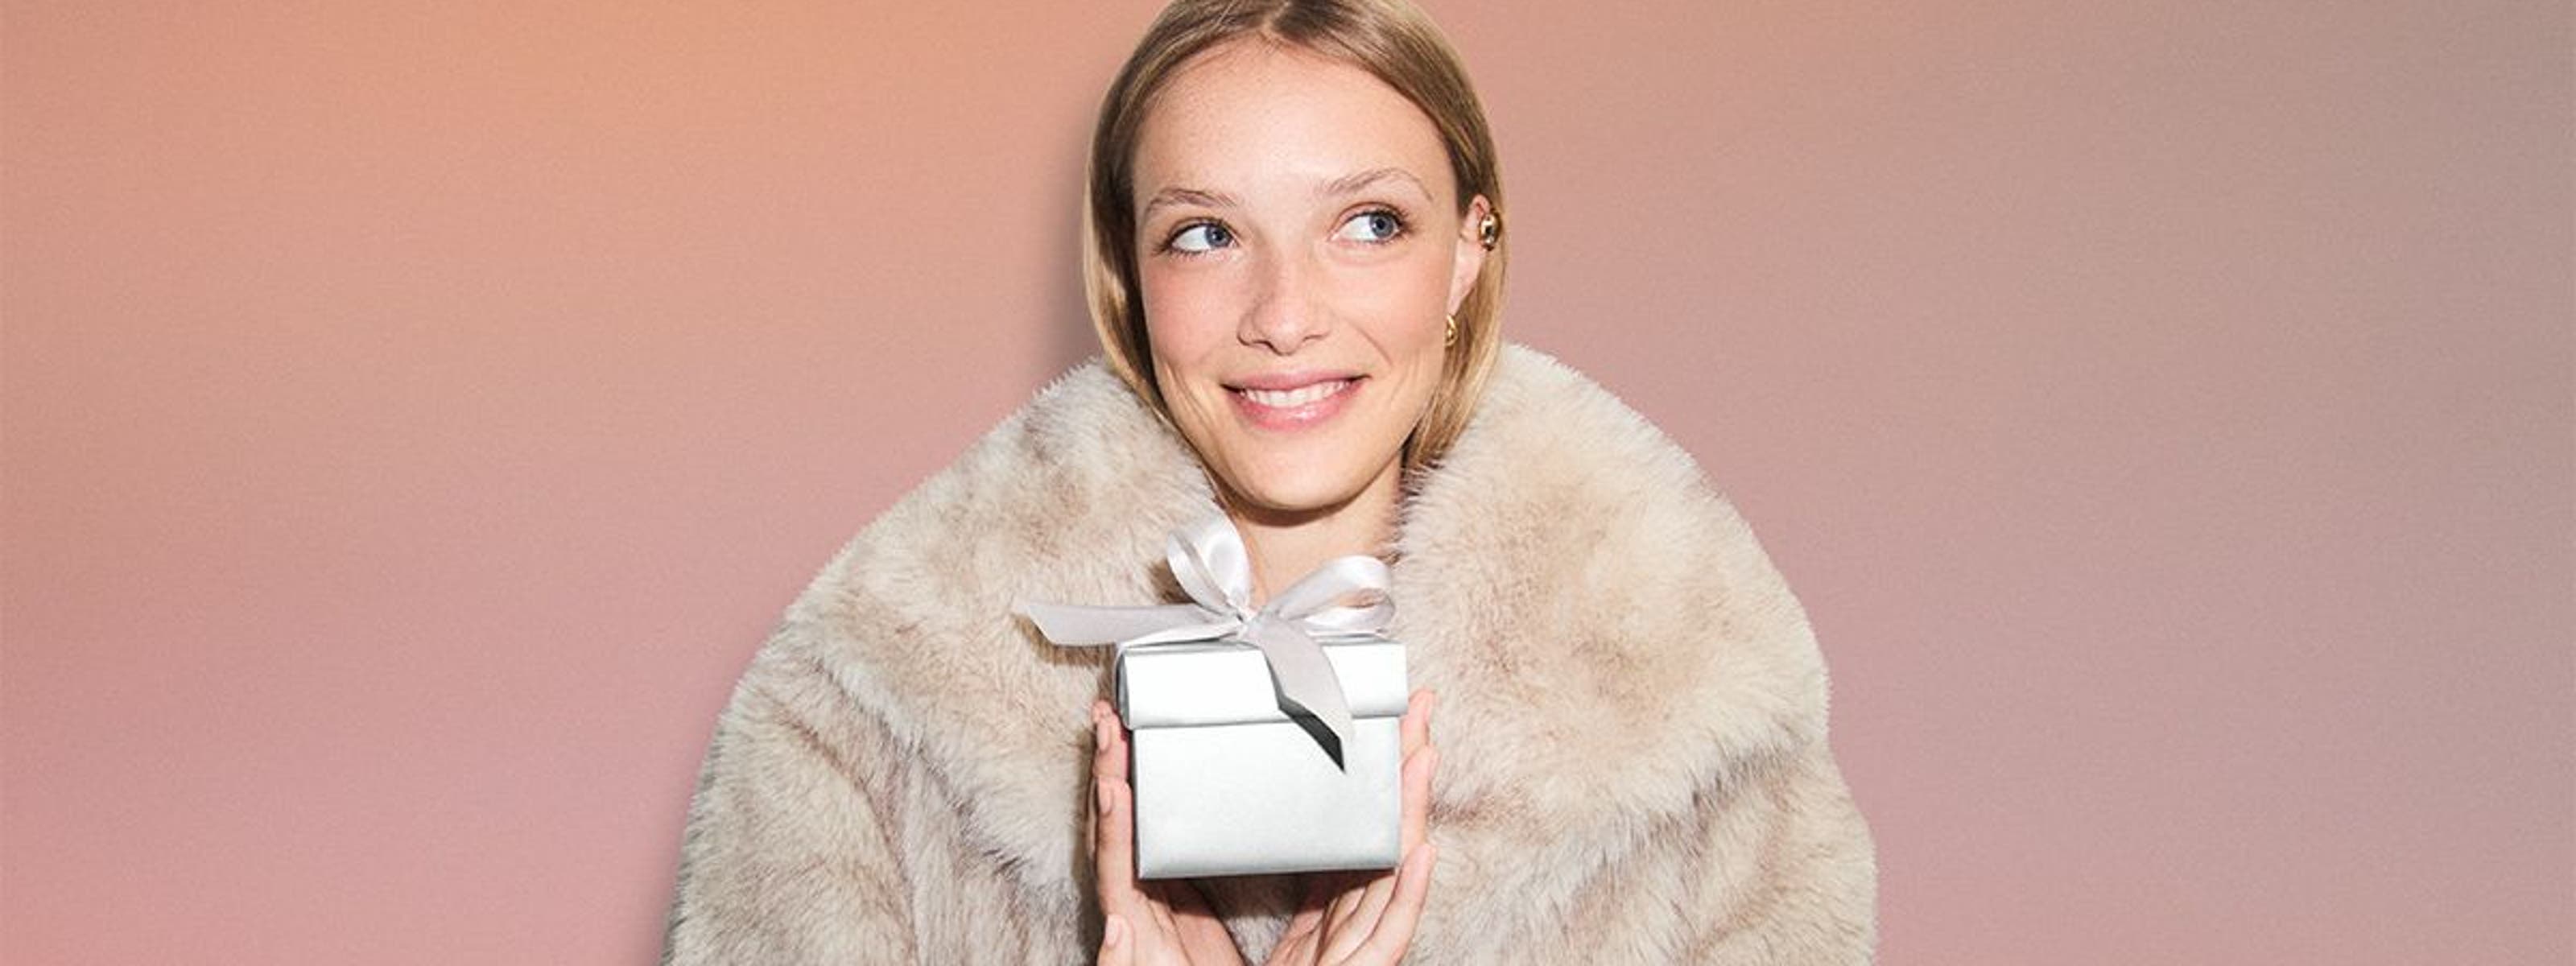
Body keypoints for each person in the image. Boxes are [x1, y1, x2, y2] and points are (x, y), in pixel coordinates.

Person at [660, 0, 1877, 962]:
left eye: (1369, 224)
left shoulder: (1707, 725)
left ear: (1470, 250)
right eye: (1206, 234)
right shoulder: (861, 714)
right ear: (1130, 282)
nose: (1286, 316)